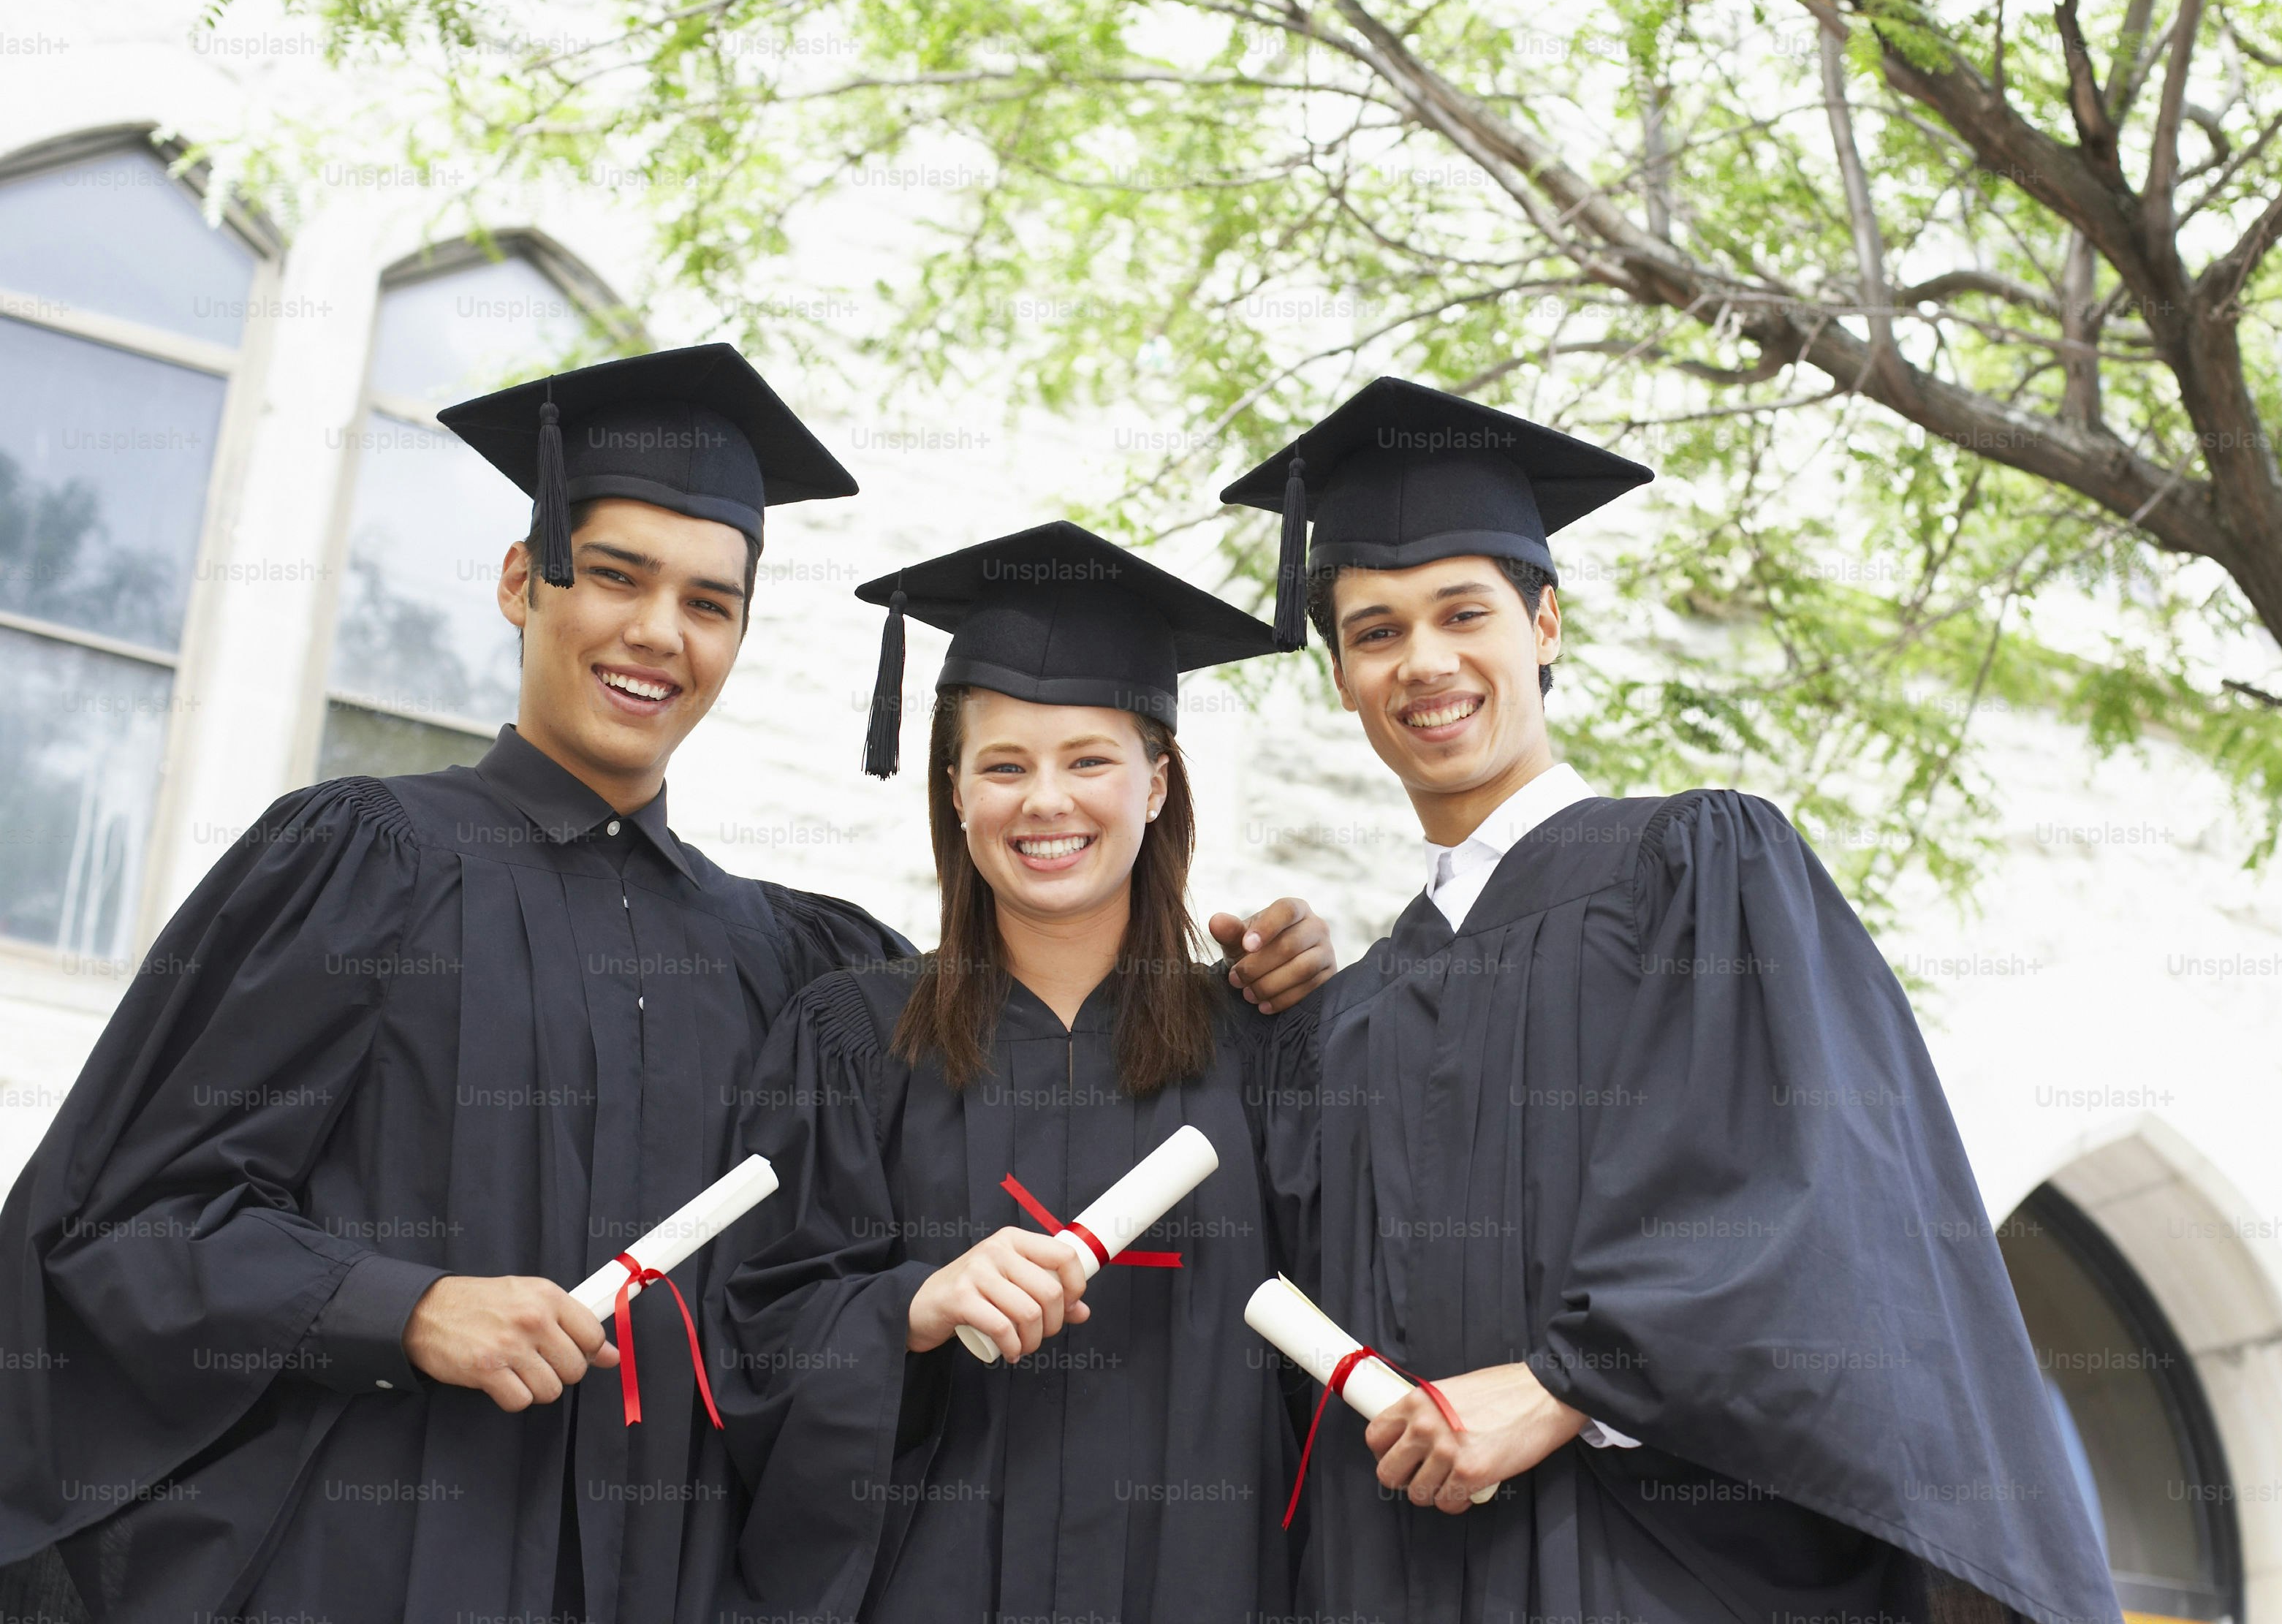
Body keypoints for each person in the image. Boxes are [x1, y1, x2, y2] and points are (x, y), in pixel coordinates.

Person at [0, 347, 1327, 1624]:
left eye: (709, 601)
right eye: (618, 577)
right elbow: (118, 1224)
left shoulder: (794, 965)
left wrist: (1272, 976)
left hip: (661, 1575)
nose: (658, 634)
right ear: (524, 581)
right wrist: (407, 1307)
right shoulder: (365, 864)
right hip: (369, 1553)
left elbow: (994, 1079)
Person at [1221, 377, 2123, 1624]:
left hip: (1658, 1569)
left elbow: (1813, 1193)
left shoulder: (1697, 872)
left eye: (1462, 612)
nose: (1424, 663)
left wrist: (1561, 1388)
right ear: (1340, 678)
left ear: (1544, 623)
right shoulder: (1358, 1015)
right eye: (1375, 632)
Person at [713, 520, 1317, 1623]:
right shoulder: (853, 1038)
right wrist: (912, 1303)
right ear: (953, 791)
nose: (1046, 802)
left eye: (1090, 759)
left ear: (1156, 783)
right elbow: (750, 1337)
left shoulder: (1269, 1046)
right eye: (1004, 765)